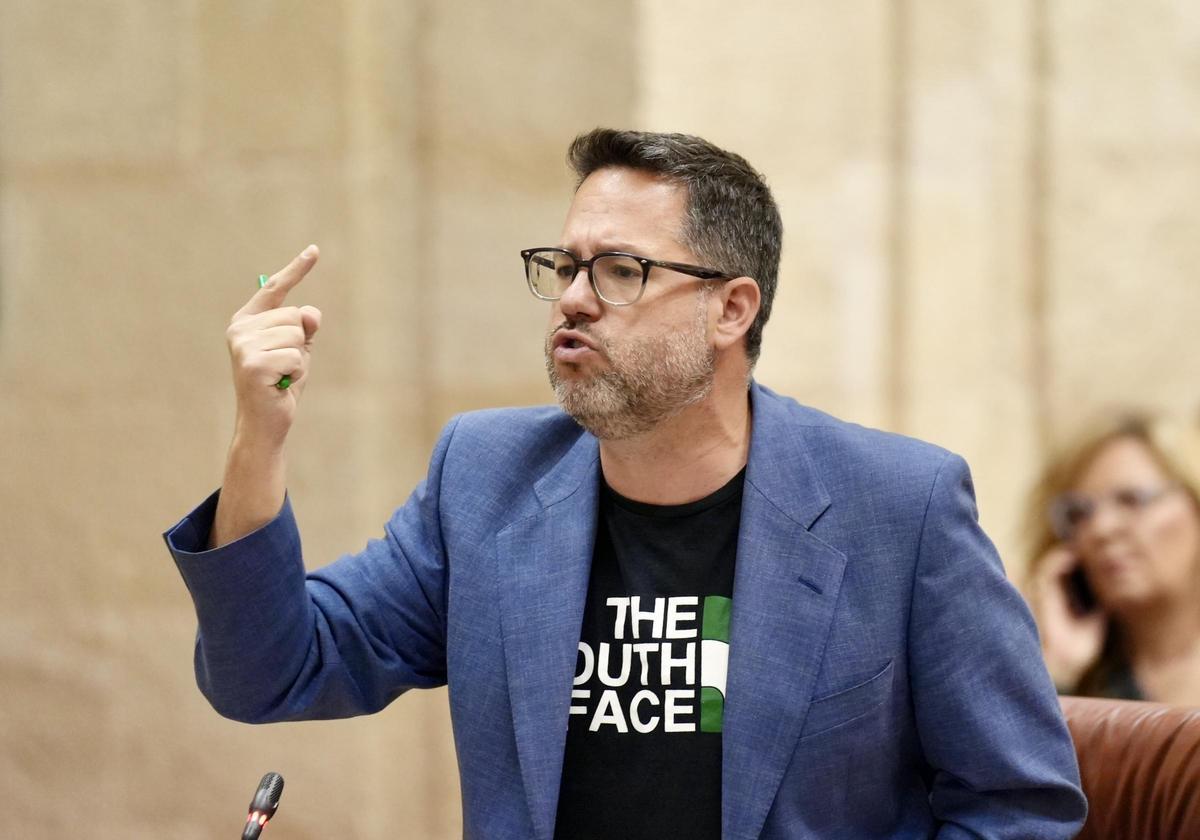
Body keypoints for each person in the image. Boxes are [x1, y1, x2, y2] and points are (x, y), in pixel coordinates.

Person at [164, 129, 1085, 839]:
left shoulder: (899, 508)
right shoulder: (484, 481)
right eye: (565, 266)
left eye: (619, 271)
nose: (571, 296)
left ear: (732, 308)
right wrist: (260, 436)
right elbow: (269, 674)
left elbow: (1020, 804)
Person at [1025, 411, 1200, 704]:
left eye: (1132, 500)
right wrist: (1059, 670)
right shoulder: (1084, 677)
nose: (1101, 530)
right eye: (1079, 513)